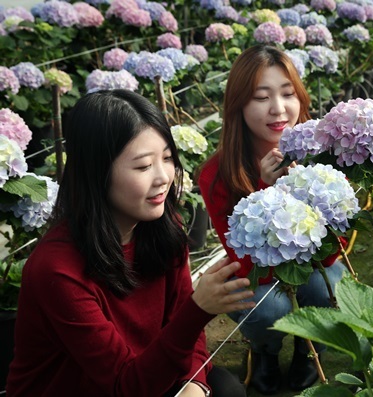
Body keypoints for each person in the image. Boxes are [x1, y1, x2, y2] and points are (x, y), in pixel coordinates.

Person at [6, 89, 255, 397]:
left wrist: (194, 384)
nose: (164, 176)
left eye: (166, 158)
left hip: (149, 372)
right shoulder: (56, 270)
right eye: (142, 166)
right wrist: (199, 309)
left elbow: (184, 332)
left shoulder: (164, 229)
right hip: (103, 386)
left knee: (227, 391)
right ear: (98, 173)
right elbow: (125, 386)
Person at [198, 45, 346, 395]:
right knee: (268, 308)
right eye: (261, 97)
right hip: (258, 275)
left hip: (313, 268)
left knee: (328, 286)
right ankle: (264, 350)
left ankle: (311, 349)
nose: (278, 109)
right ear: (239, 106)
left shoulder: (321, 156)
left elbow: (329, 255)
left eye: (287, 94)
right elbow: (247, 263)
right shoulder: (215, 175)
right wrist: (268, 190)